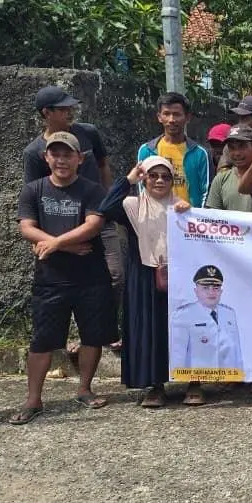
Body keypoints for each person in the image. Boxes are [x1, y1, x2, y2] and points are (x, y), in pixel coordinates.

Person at [12, 131, 117, 425]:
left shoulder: (93, 190)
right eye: (55, 154)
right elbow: (27, 228)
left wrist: (55, 245)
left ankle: (84, 388)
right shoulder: (33, 190)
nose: (61, 160)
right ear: (46, 158)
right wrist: (67, 245)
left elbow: (93, 225)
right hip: (50, 278)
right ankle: (33, 398)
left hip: (91, 276)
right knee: (42, 341)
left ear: (79, 159)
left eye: (67, 154)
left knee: (92, 336)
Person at [98, 157, 191, 408]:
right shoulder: (132, 206)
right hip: (143, 274)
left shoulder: (181, 208)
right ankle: (155, 386)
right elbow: (106, 207)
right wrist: (128, 180)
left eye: (166, 176)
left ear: (173, 180)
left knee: (183, 326)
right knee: (150, 328)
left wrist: (188, 212)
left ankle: (193, 382)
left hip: (179, 274)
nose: (159, 180)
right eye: (153, 175)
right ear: (145, 178)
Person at [137, 92, 210, 207]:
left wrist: (196, 217)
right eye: (166, 114)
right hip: (157, 217)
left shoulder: (200, 153)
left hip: (189, 220)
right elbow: (142, 186)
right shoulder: (147, 150)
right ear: (159, 117)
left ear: (188, 117)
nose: (171, 119)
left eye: (177, 114)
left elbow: (206, 192)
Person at [170, 264, 244, 373]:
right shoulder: (183, 315)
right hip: (197, 380)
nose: (211, 292)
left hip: (227, 380)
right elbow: (177, 355)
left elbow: (236, 352)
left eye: (216, 288)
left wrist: (240, 377)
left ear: (221, 291)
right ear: (196, 291)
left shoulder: (229, 314)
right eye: (205, 288)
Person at [204, 124, 252, 213]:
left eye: (242, 146)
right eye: (231, 148)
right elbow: (213, 219)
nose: (236, 153)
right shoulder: (221, 179)